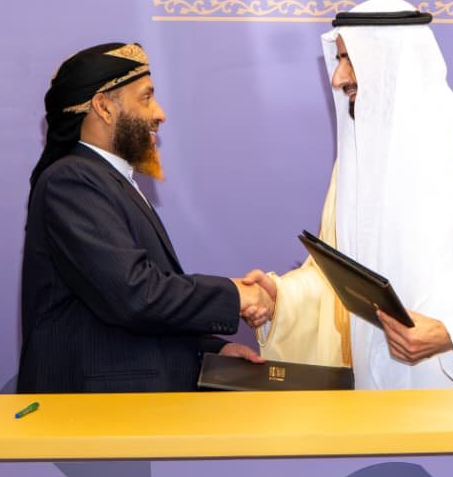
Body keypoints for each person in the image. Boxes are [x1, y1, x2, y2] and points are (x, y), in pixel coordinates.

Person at [248, 0, 453, 389]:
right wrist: (281, 298)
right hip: (371, 398)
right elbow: (343, 285)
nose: (338, 78)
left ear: (390, 60)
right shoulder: (353, 163)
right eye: (339, 60)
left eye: (350, 59)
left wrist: (451, 335)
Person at [19, 42, 270, 394]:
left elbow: (131, 311)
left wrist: (210, 350)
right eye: (146, 97)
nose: (160, 113)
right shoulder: (72, 181)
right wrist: (234, 295)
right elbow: (133, 294)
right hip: (96, 415)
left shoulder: (109, 181)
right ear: (104, 107)